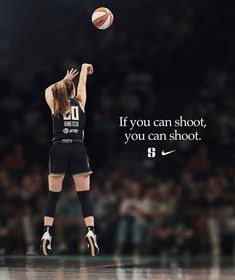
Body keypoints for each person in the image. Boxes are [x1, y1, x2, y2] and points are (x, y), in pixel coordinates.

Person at [40, 64, 99, 256]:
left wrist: (64, 80)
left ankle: (47, 234)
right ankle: (90, 231)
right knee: (84, 196)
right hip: (77, 147)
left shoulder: (55, 104)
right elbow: (83, 84)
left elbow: (48, 90)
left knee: (53, 195)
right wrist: (83, 69)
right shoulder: (79, 102)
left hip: (58, 148)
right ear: (73, 92)